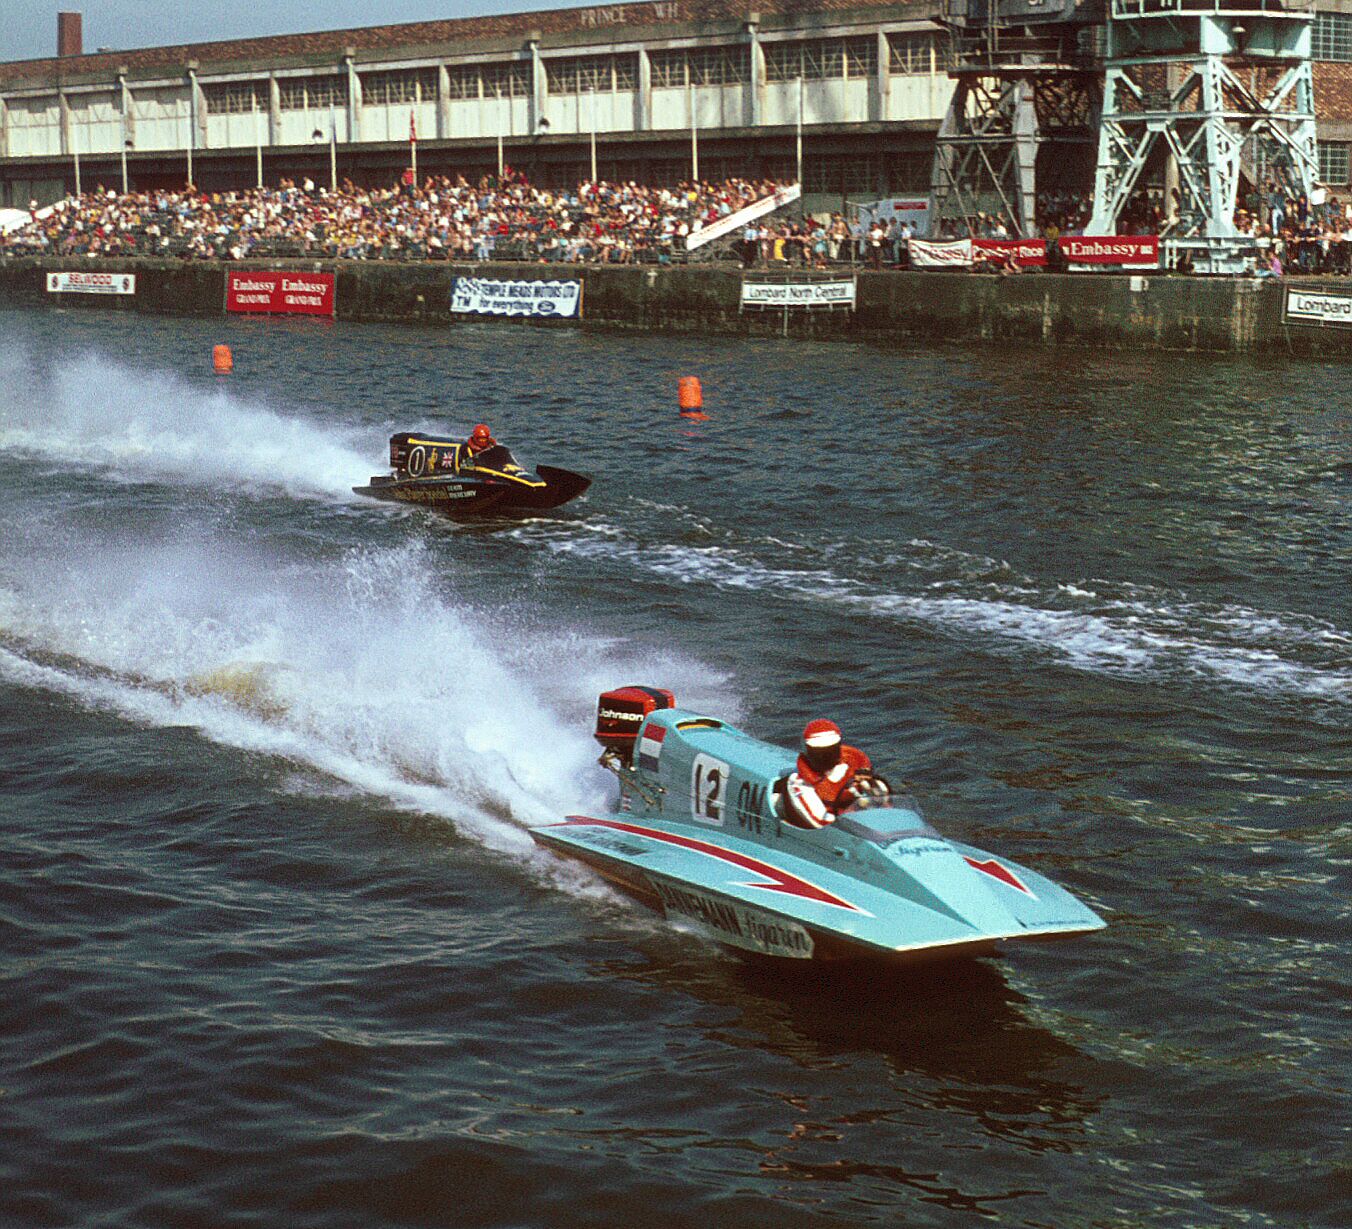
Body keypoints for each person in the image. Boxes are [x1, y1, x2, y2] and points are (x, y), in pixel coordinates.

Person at [783, 719, 873, 829]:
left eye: (831, 752)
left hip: (862, 823)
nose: (825, 758)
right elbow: (819, 821)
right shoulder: (800, 784)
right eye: (819, 754)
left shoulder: (853, 764)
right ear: (808, 752)